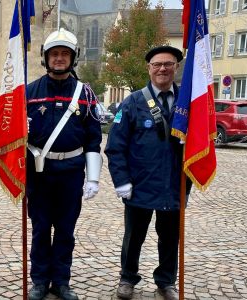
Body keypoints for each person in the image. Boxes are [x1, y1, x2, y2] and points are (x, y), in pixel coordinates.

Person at [104, 45, 191, 300]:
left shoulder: (188, 104)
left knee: (169, 239)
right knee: (133, 237)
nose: (162, 68)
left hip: (174, 185)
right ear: (149, 68)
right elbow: (115, 147)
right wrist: (122, 181)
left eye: (168, 64)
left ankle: (166, 281)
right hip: (139, 187)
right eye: (157, 64)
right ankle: (128, 278)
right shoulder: (132, 102)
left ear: (176, 68)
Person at [25, 29, 103, 300]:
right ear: (45, 57)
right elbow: (15, 138)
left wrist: (93, 178)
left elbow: (94, 138)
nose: (59, 59)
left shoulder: (86, 94)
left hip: (71, 174)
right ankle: (39, 280)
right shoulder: (29, 92)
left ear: (74, 57)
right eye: (54, 54)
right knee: (40, 229)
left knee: (66, 231)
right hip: (39, 174)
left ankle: (61, 281)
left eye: (64, 54)